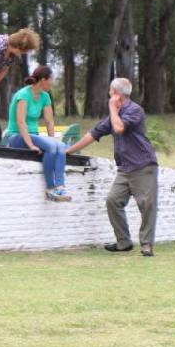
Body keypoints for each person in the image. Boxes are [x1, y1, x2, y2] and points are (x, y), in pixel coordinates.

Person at [67, 78, 159, 256]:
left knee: (147, 205)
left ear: (116, 94)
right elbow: (93, 134)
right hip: (125, 169)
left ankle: (147, 245)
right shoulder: (114, 115)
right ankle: (123, 242)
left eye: (110, 91)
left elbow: (119, 128)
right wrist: (68, 152)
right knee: (112, 201)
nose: (108, 94)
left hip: (143, 166)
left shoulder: (134, 110)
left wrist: (111, 107)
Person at [2, 66, 71, 201]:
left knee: (60, 146)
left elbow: (50, 122)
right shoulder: (23, 95)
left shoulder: (45, 96)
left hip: (34, 135)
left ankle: (60, 187)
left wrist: (53, 140)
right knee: (51, 147)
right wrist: (30, 144)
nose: (53, 82)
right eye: (51, 79)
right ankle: (50, 189)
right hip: (17, 136)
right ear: (43, 80)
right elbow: (21, 122)